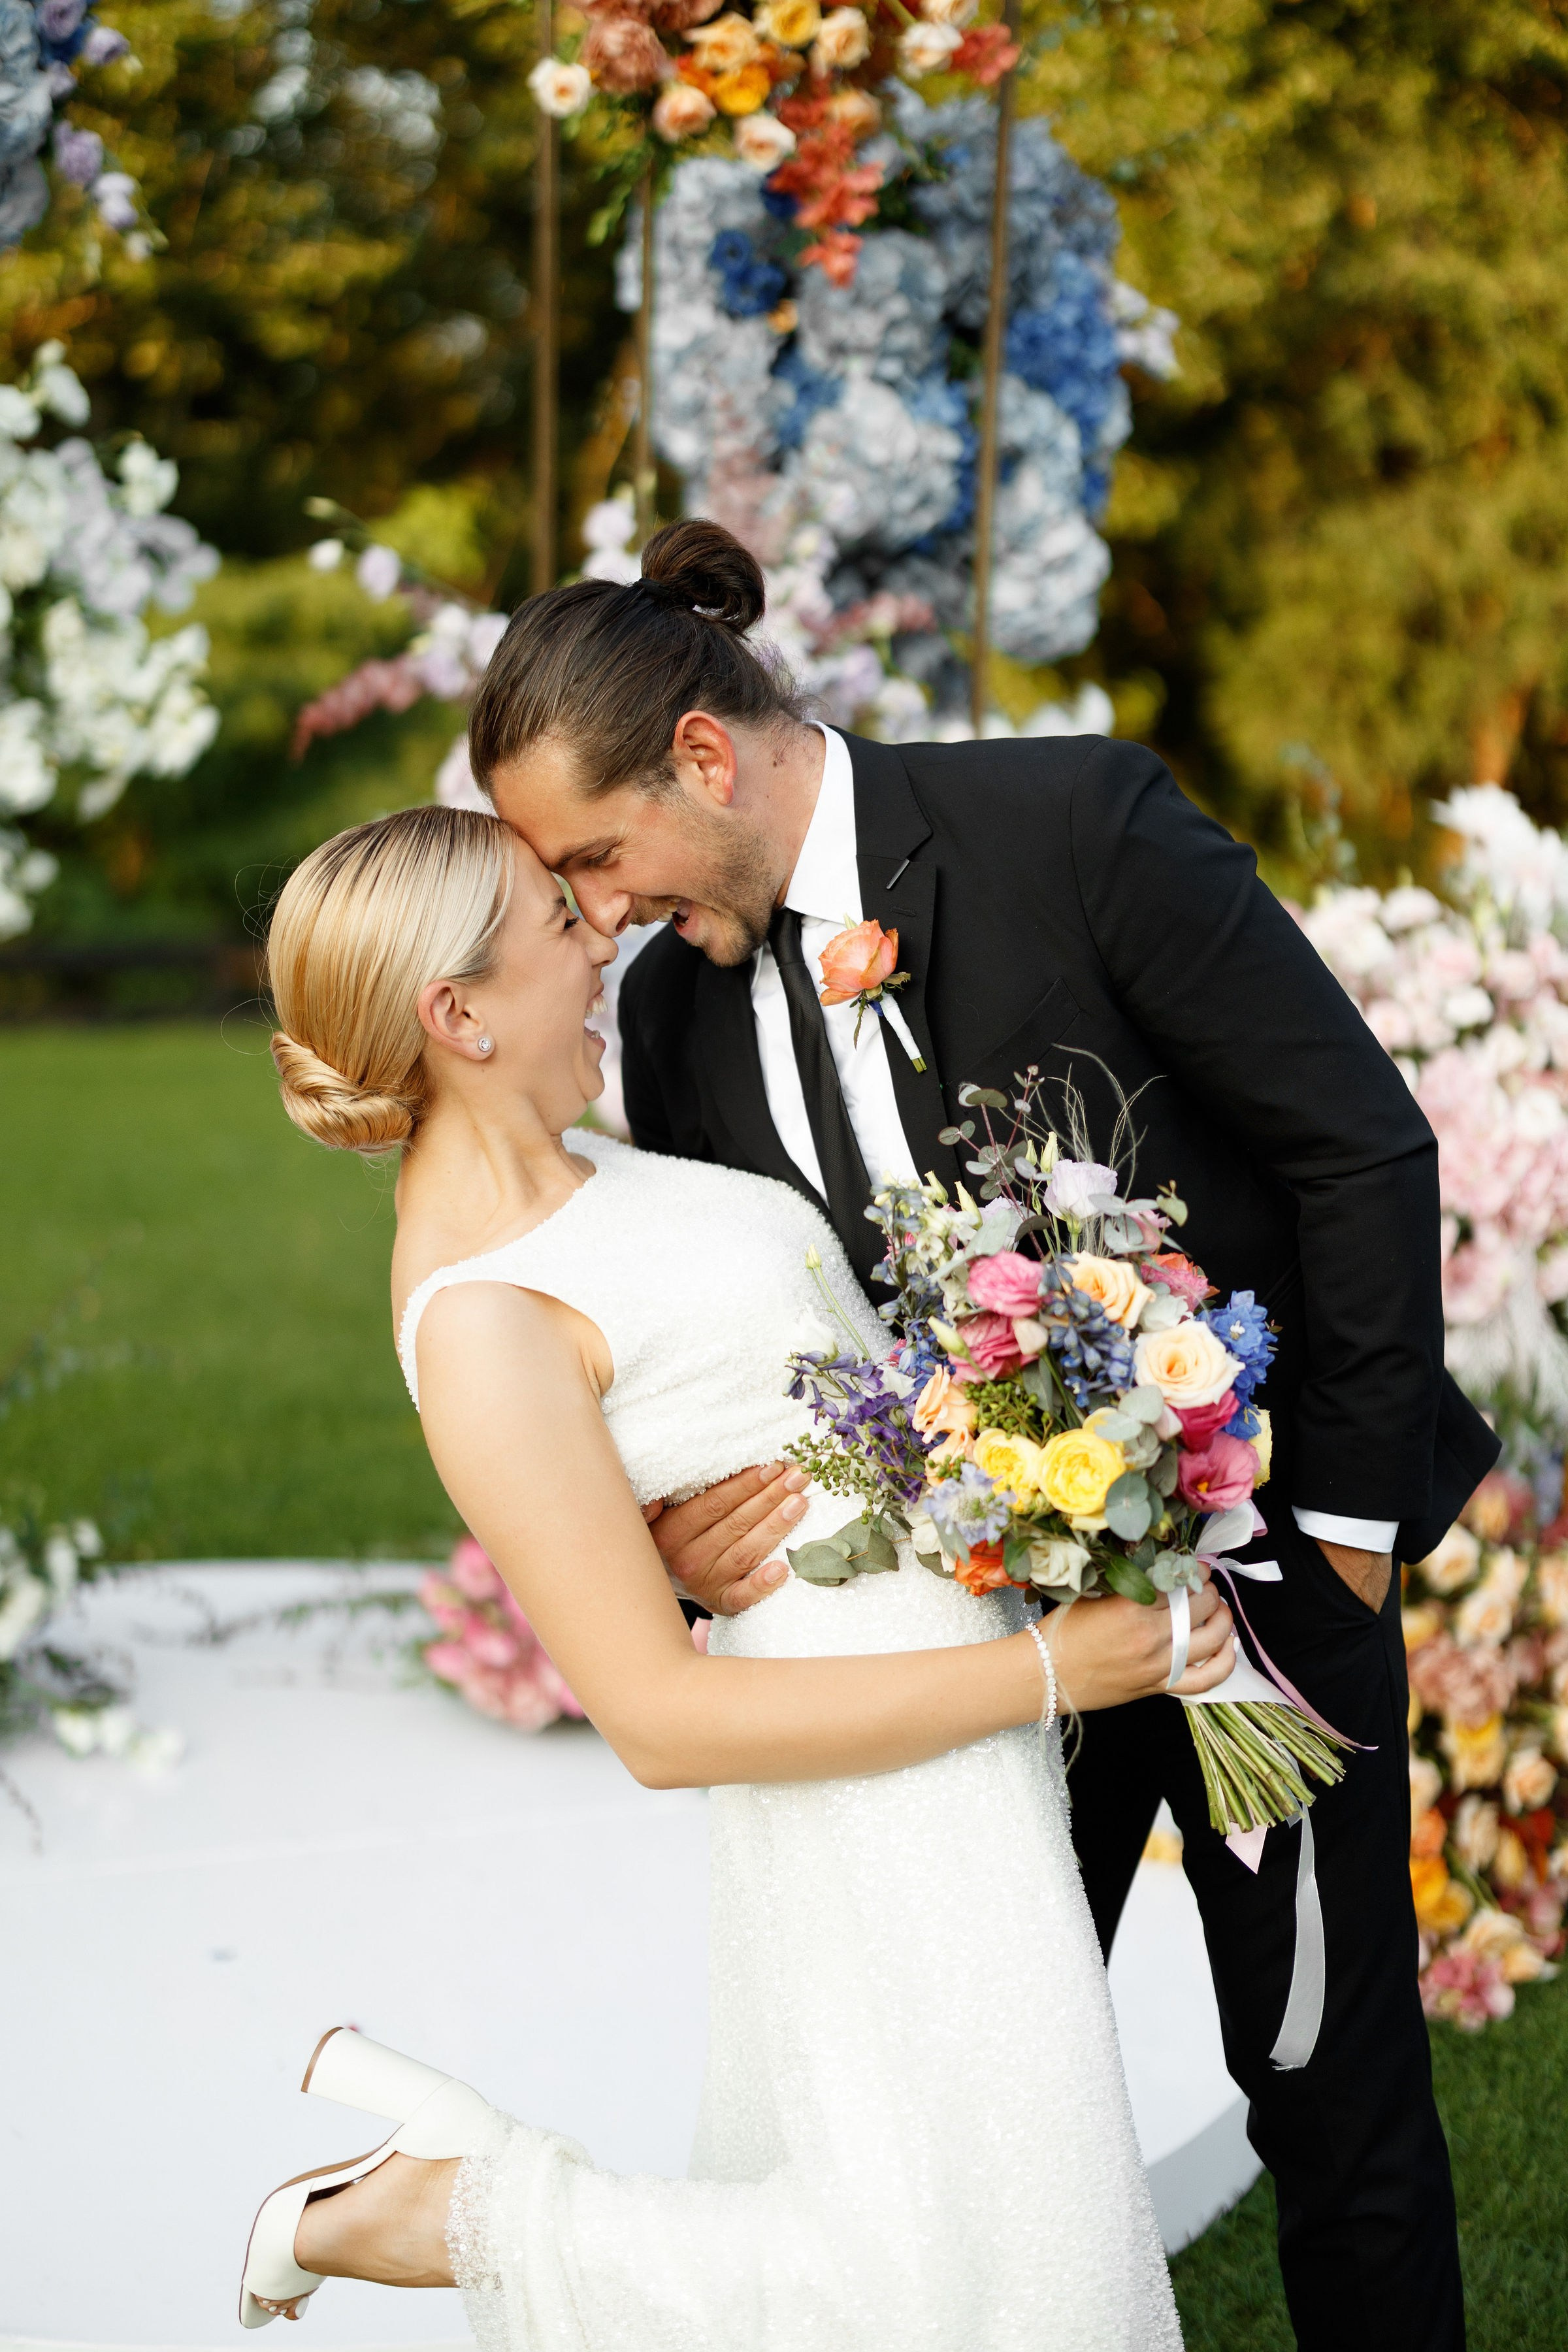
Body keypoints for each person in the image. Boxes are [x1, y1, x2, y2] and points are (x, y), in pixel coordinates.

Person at [467, 517, 1501, 2352]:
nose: (597, 909)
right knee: (971, 2126)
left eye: (597, 857)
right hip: (975, 1641)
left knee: (1320, 2079)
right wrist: (681, 1540)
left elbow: (1362, 1149)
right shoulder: (677, 1015)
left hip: (1261, 1576)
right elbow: (749, 1320)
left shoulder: (1077, 827)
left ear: (705, 758)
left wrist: (1336, 1541)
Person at [240, 800, 1239, 2342]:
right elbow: (655, 1722)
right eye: (556, 928)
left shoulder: (581, 1170)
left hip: (959, 1741)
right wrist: (1052, 1668)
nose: (603, 941)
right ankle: (463, 2213)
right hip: (875, 1785)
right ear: (456, 1016)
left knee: (1001, 2233)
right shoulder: (482, 1320)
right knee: (939, 2273)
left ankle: (459, 2203)